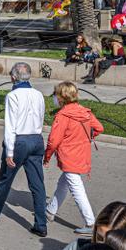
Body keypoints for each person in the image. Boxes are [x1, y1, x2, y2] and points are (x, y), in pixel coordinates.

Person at [0, 62, 48, 235]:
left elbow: (10, 126)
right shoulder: (38, 94)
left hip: (19, 141)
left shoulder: (13, 96)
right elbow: (40, 118)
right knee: (37, 184)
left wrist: (9, 151)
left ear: (13, 77)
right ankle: (41, 224)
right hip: (36, 138)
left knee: (5, 180)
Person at [43, 81, 103, 235]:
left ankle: (90, 223)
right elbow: (98, 128)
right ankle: (50, 210)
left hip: (68, 156)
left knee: (76, 188)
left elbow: (53, 140)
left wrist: (47, 156)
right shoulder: (85, 111)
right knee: (63, 183)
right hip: (81, 155)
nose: (54, 98)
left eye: (56, 95)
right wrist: (84, 138)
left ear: (62, 97)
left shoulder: (63, 115)